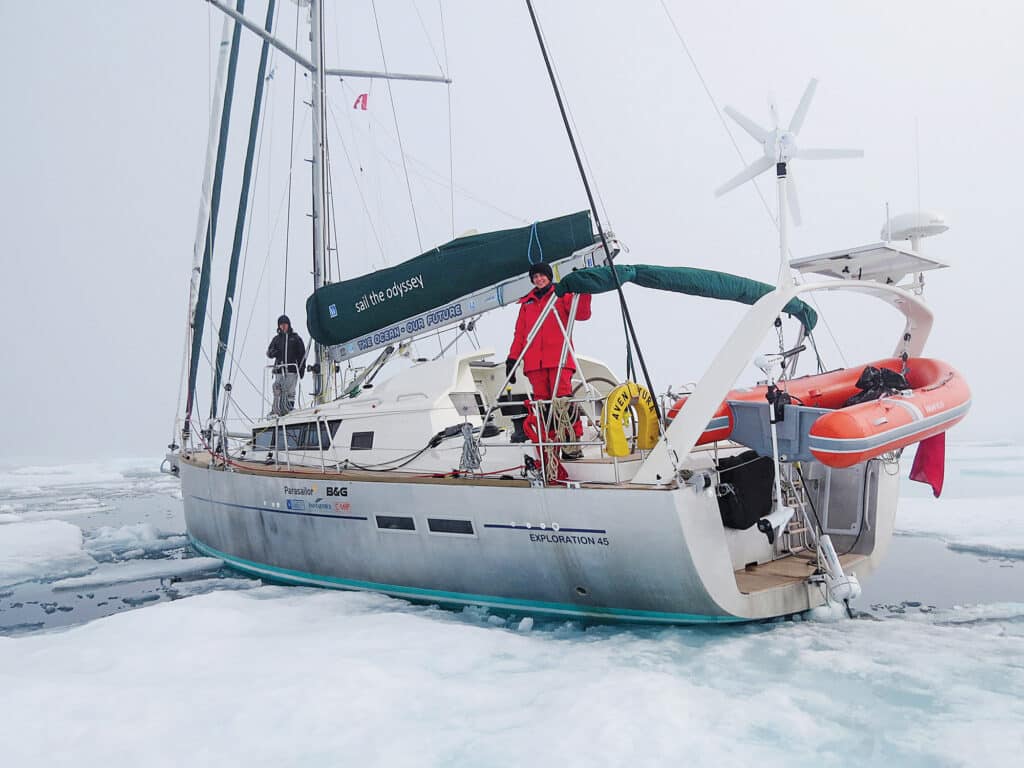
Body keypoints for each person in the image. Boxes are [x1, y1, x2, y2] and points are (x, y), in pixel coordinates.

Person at [506, 262, 592, 455]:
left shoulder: (562, 295)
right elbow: (520, 334)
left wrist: (583, 289)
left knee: (563, 401)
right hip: (535, 364)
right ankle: (551, 448)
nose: (539, 279)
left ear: (549, 276)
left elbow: (583, 314)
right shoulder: (526, 304)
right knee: (543, 406)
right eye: (535, 277)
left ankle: (571, 446)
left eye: (542, 276)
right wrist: (512, 359)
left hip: (559, 359)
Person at [267, 314, 306, 416]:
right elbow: (269, 352)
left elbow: (302, 354)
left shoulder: (295, 338)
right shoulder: (276, 339)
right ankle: (276, 410)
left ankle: (289, 409)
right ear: (279, 326)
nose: (283, 326)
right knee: (278, 389)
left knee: (290, 391)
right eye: (281, 325)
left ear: (288, 325)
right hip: (279, 369)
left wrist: (301, 369)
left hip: (292, 369)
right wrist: (273, 353)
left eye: (285, 324)